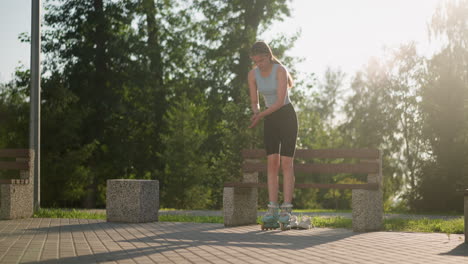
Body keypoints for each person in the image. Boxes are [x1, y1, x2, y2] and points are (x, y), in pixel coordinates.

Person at [248, 41, 299, 230]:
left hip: (286, 116)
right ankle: (272, 209)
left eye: (261, 60)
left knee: (286, 163)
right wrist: (255, 111)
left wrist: (260, 115)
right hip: (270, 119)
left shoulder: (280, 70)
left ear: (268, 56)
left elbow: (278, 102)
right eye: (255, 61)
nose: (258, 64)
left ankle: (286, 209)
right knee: (271, 163)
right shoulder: (252, 75)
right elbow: (255, 101)